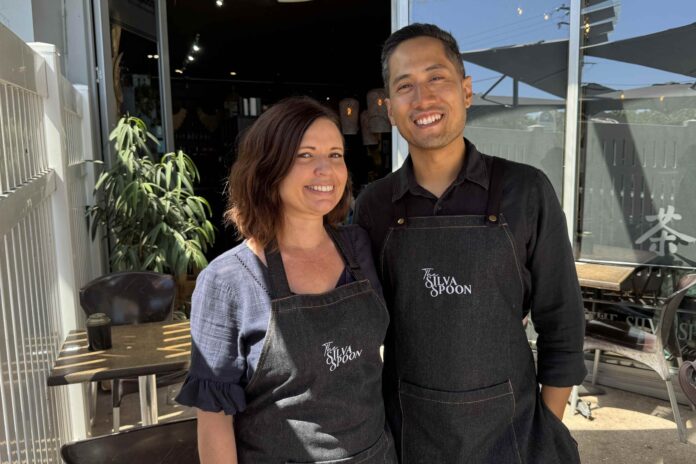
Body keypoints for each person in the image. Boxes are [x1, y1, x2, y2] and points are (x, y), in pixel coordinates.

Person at [354, 24, 586, 463]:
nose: (422, 98)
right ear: (390, 108)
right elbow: (357, 329)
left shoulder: (525, 190)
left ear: (466, 90)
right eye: (405, 86)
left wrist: (547, 430)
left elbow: (562, 324)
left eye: (436, 77)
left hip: (515, 437)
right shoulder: (374, 206)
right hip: (409, 436)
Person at [177, 97, 397, 464]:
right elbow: (214, 420)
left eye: (335, 154)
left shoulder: (359, 247)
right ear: (268, 168)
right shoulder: (227, 280)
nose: (326, 169)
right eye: (305, 155)